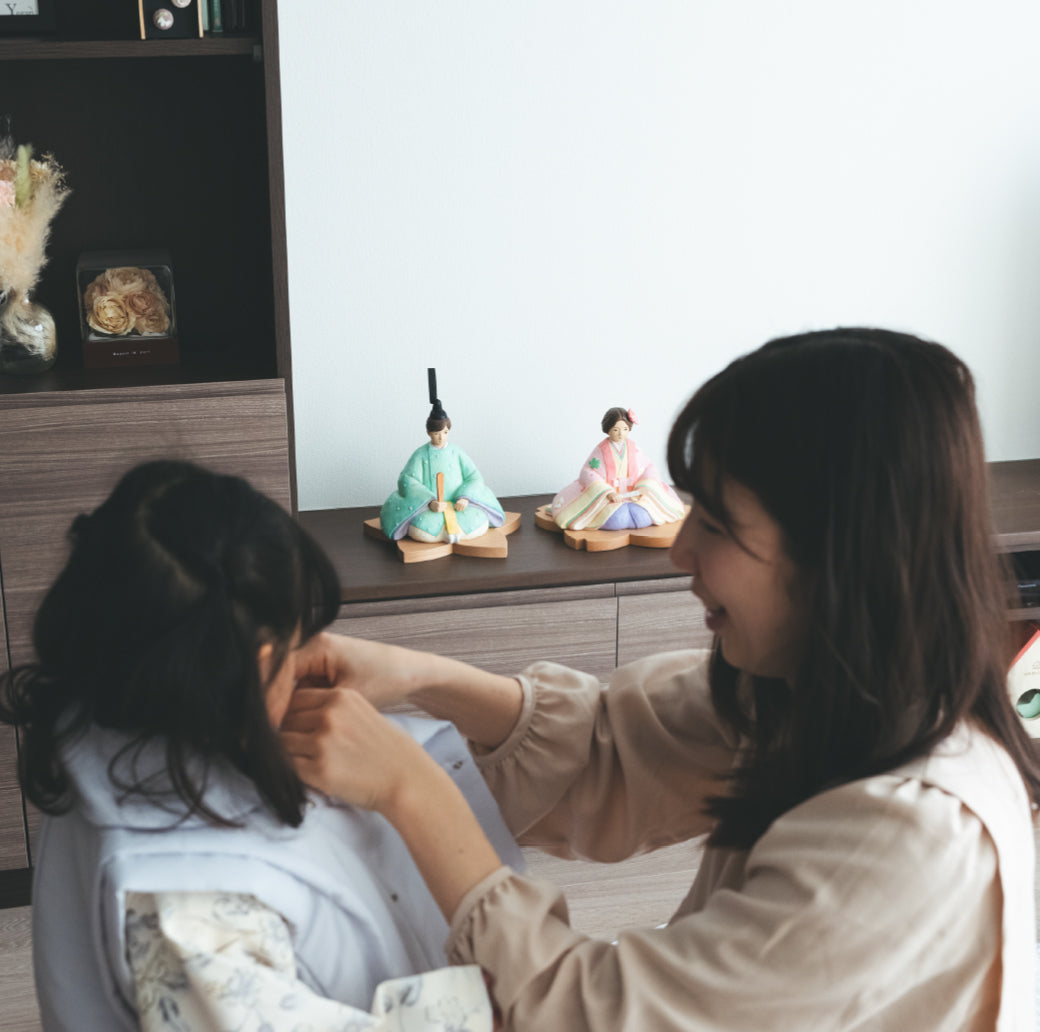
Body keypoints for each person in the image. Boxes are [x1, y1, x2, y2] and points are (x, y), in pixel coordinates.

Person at [283, 328, 1039, 1031]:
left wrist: (411, 788)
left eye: (716, 524)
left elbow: (599, 1013)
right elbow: (610, 745)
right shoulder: (814, 693)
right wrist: (415, 675)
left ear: (835, 552)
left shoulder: (906, 834)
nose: (679, 553)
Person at [0, 459, 520, 1032]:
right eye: (300, 637)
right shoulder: (187, 910)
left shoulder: (111, 709)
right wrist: (488, 1010)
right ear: (260, 665)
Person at [380, 369, 505, 543]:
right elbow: (407, 480)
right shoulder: (421, 454)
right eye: (436, 433)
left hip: (459, 505)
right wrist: (429, 502)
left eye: (445, 432)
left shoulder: (457, 452)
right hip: (430, 508)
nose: (441, 437)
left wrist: (464, 497)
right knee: (422, 526)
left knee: (476, 521)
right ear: (428, 432)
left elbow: (474, 477)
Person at [550, 406, 685, 531]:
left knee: (641, 517)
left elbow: (648, 467)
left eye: (625, 429)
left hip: (633, 495)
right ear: (608, 429)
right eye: (616, 429)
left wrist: (644, 487)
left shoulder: (634, 448)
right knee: (618, 519)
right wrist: (608, 492)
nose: (621, 433)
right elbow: (589, 472)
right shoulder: (601, 450)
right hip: (608, 498)